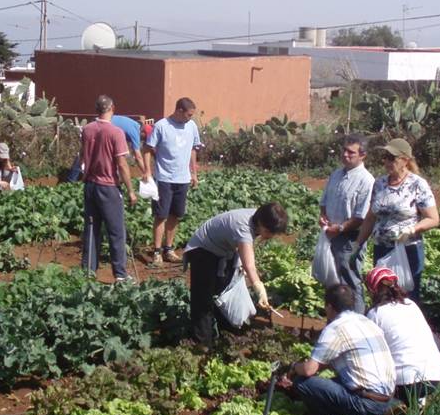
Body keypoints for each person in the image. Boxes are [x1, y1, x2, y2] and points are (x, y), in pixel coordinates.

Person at [279, 284, 397, 415]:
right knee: (334, 381)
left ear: (329, 307)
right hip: (387, 398)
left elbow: (308, 370)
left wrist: (293, 367)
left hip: (365, 403)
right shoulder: (367, 322)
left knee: (303, 383)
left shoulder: (335, 328)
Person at [183, 202, 289, 345]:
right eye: (270, 232)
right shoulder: (243, 227)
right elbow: (250, 265)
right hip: (203, 250)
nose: (271, 236)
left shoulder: (258, 218)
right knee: (203, 299)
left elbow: (245, 251)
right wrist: (259, 287)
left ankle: (226, 334)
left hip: (224, 250)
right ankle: (202, 343)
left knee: (225, 291)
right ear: (262, 224)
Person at [355, 138, 440, 306]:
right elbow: (371, 218)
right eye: (385, 157)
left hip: (407, 251)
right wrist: (357, 244)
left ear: (405, 161)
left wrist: (412, 229)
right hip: (382, 249)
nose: (386, 161)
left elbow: (433, 218)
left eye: (391, 158)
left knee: (406, 297)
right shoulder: (379, 184)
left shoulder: (417, 184)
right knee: (382, 297)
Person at [365, 267, 440, 404]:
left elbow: (372, 354)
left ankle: (397, 404)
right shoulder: (411, 304)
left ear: (372, 290)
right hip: (436, 377)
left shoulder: (374, 314)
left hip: (405, 383)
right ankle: (418, 401)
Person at [80, 94, 138, 282]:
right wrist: (130, 190)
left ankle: (88, 273)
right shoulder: (115, 132)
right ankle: (120, 275)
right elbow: (121, 164)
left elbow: (82, 157)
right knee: (116, 231)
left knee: (91, 229)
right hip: (108, 186)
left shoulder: (87, 129)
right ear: (112, 107)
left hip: (90, 186)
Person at [318, 134, 375, 314]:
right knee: (332, 280)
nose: (345, 155)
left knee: (350, 281)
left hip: (350, 239)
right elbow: (324, 201)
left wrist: (341, 227)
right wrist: (323, 217)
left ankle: (356, 321)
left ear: (362, 155)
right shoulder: (336, 174)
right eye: (344, 150)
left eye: (351, 152)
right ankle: (335, 319)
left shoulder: (367, 181)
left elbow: (362, 216)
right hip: (331, 235)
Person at [144, 97, 202, 267]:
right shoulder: (162, 126)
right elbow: (147, 149)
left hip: (182, 179)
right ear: (179, 111)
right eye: (188, 115)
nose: (190, 118)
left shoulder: (191, 126)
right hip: (164, 179)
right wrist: (148, 171)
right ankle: (156, 252)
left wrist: (194, 172)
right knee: (161, 215)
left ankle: (168, 249)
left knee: (175, 215)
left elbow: (193, 148)